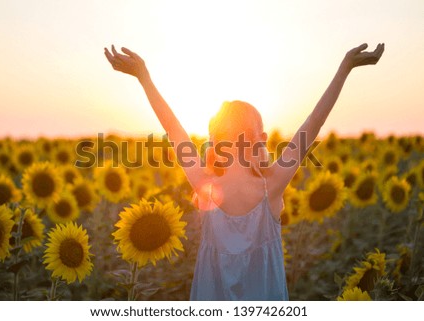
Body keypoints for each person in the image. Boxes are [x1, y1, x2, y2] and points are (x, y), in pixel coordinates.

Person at [104, 42, 384, 300]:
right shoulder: (272, 185)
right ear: (259, 136)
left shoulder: (205, 184)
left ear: (214, 139)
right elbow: (314, 122)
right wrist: (344, 69)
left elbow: (173, 129)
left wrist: (145, 78)